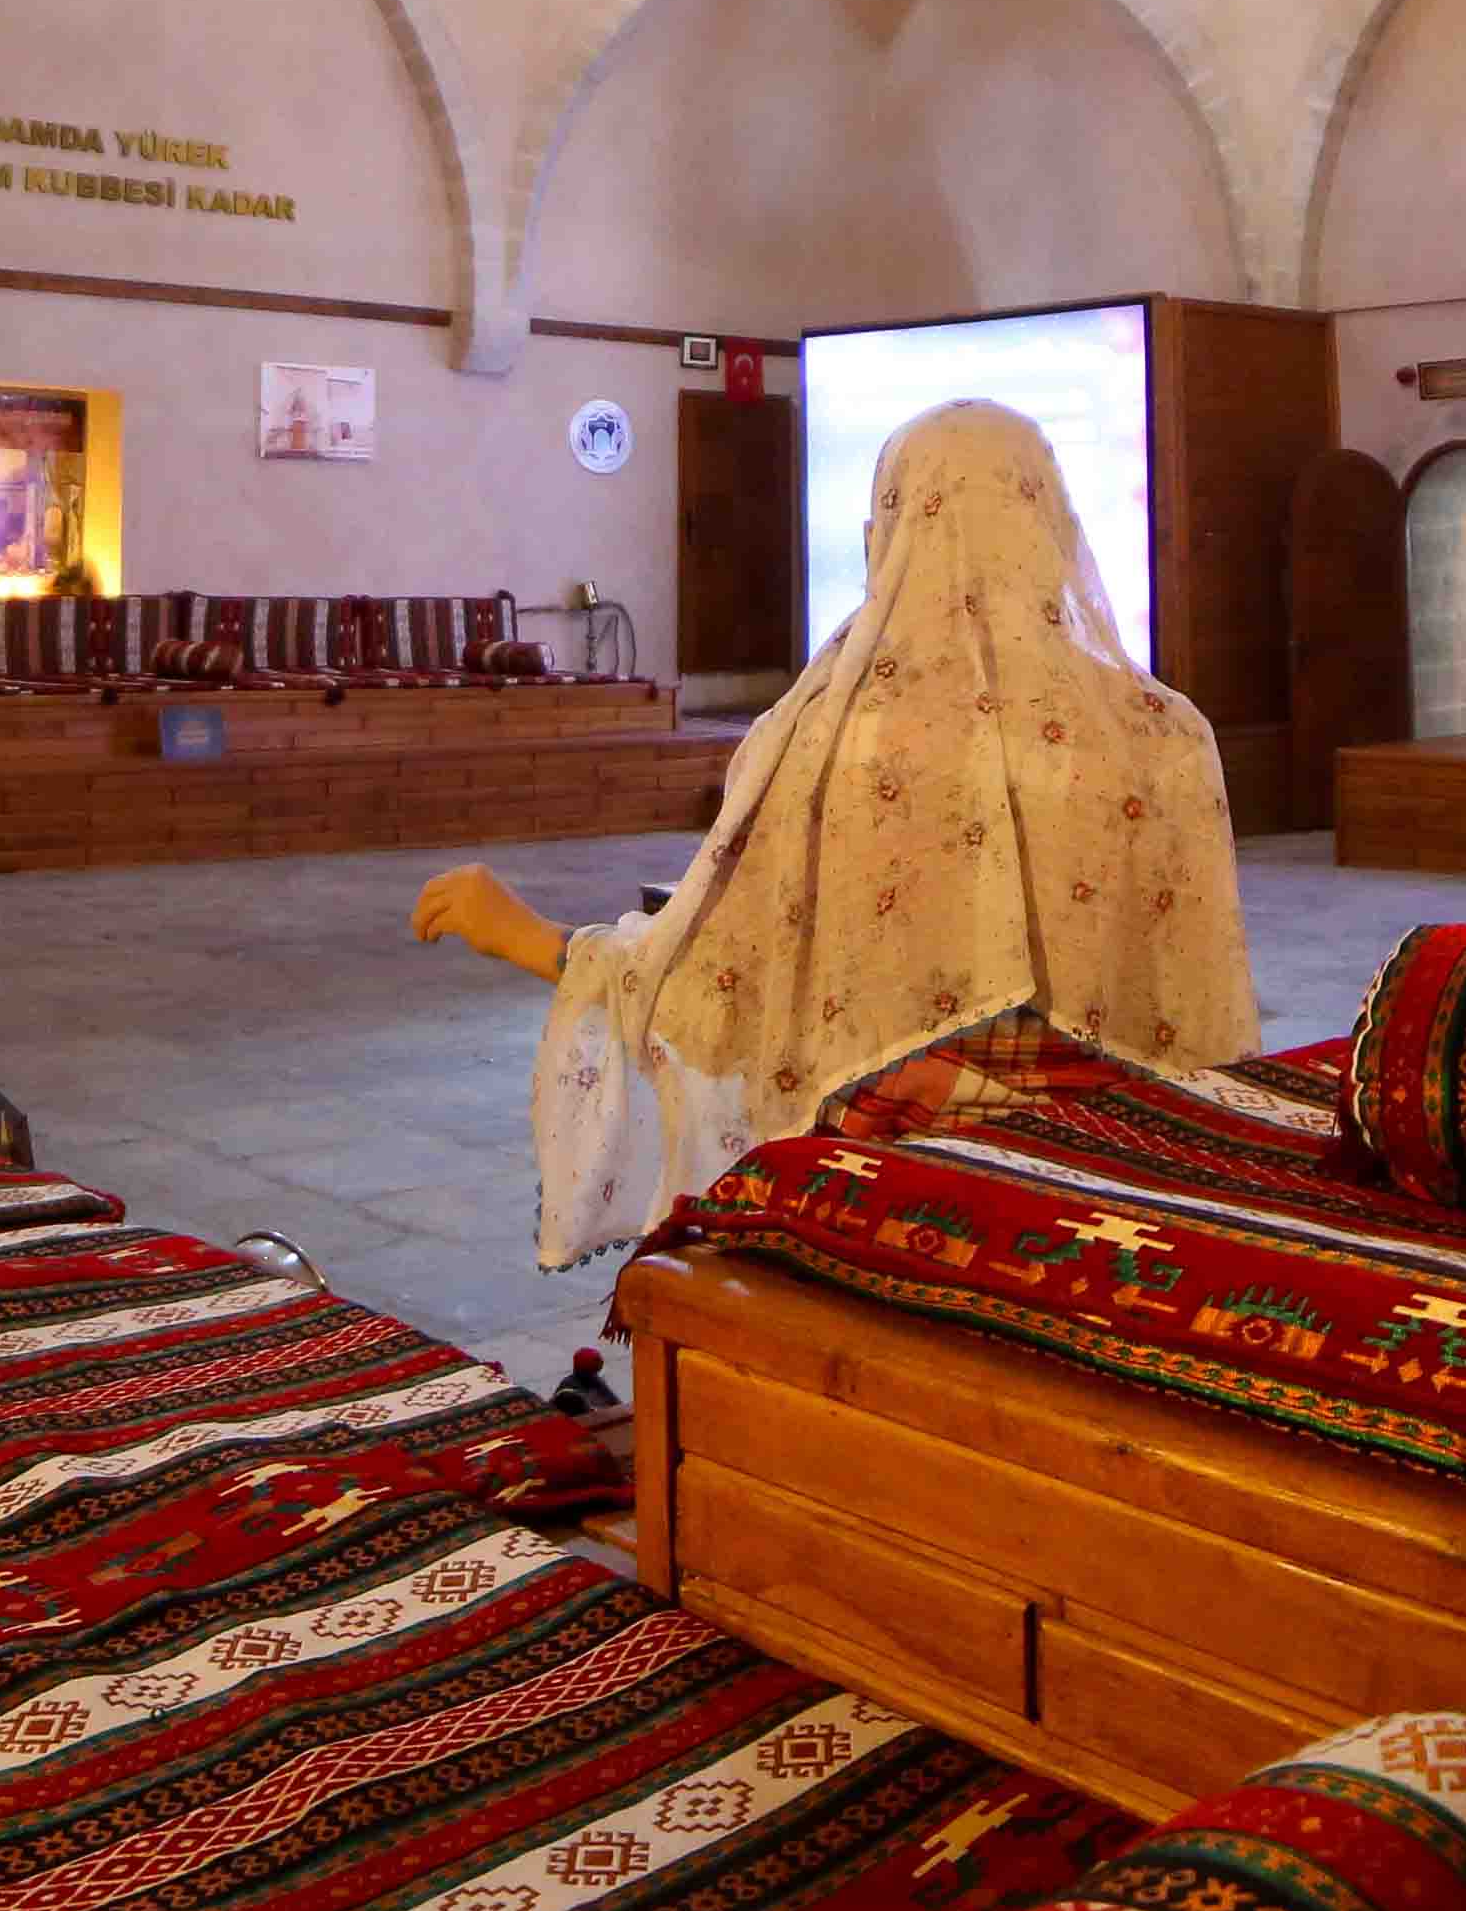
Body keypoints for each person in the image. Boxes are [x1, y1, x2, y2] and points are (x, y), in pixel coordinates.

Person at [415, 397, 1258, 1266]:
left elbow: (716, 988)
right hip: (1124, 1206)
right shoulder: (1166, 731)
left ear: (892, 533)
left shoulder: (840, 735)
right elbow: (1197, 1028)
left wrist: (523, 935)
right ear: (1051, 522)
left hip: (893, 1204)